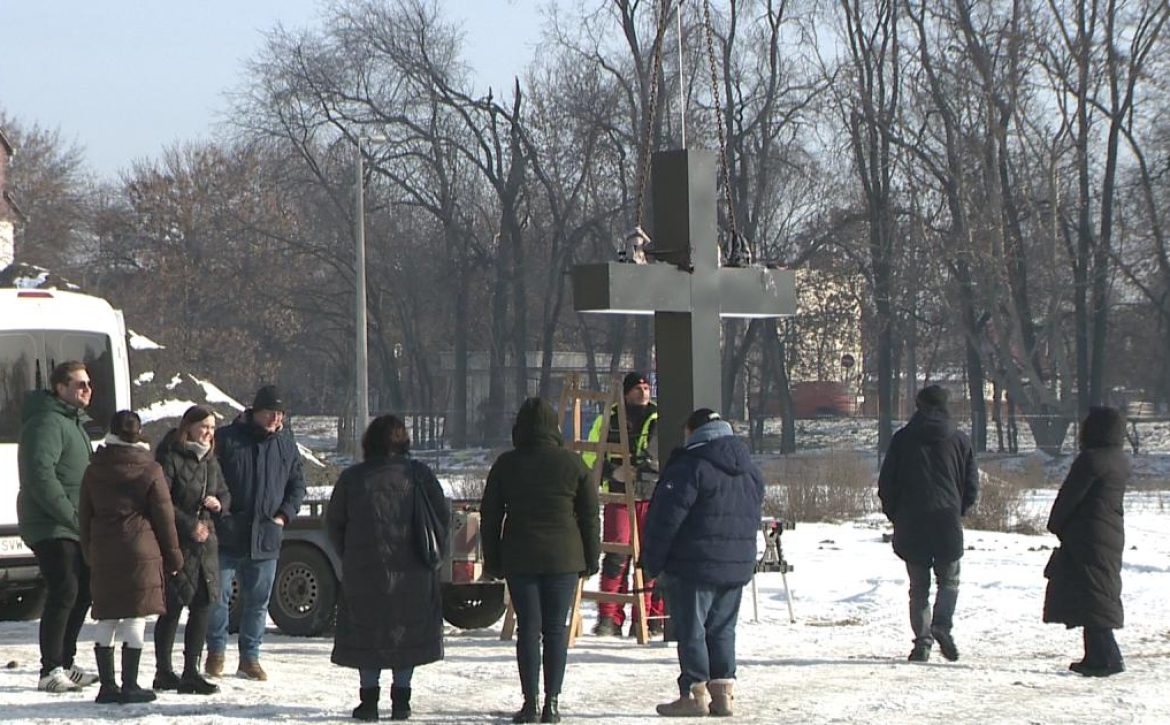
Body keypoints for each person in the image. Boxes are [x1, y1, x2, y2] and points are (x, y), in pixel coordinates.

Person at [481, 397, 600, 724]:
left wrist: (493, 560)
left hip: (520, 556)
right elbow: (589, 516)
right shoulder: (573, 464)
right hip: (564, 557)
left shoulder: (506, 464)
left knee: (528, 630)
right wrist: (592, 558)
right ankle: (553, 703)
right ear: (554, 428)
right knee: (556, 631)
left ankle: (530, 702)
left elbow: (490, 516)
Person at [641, 409, 764, 718]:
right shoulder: (749, 469)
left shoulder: (690, 466)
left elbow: (665, 519)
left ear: (693, 431)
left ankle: (695, 693)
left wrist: (652, 563)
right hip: (735, 566)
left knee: (691, 630)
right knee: (723, 629)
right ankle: (722, 694)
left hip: (693, 565)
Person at [327, 414, 449, 722]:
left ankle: (368, 701)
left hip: (365, 572)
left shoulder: (353, 478)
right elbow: (441, 520)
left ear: (369, 442)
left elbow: (335, 525)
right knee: (404, 633)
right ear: (403, 441)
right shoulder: (419, 475)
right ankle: (402, 700)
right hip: (414, 573)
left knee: (367, 633)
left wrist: (352, 556)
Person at [79, 410, 183, 704]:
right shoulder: (150, 469)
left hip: (103, 548)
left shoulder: (93, 469)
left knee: (107, 615)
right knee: (135, 616)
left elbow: (84, 516)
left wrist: (89, 552)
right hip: (140, 549)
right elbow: (164, 518)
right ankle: (130, 684)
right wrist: (174, 558)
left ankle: (107, 686)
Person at [205, 385, 306, 681]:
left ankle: (250, 657)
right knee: (218, 597)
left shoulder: (286, 444)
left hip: (266, 537)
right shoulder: (226, 438)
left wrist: (283, 515)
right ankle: (216, 653)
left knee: (258, 602)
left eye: (280, 413)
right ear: (255, 412)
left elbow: (297, 485)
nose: (276, 418)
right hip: (227, 534)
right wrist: (218, 510)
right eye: (270, 412)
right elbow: (209, 476)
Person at [878, 384, 979, 663]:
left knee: (918, 587)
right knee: (950, 581)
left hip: (911, 520)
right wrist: (960, 509)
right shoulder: (959, 440)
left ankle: (922, 642)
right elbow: (971, 484)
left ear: (918, 406)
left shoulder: (902, 439)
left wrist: (895, 514)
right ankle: (942, 625)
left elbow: (887, 483)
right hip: (947, 517)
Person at [17, 360, 101, 692]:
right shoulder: (47, 422)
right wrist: (71, 514)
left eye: (89, 384)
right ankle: (49, 670)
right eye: (79, 384)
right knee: (65, 588)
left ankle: (65, 662)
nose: (87, 390)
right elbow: (40, 476)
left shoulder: (74, 423)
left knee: (83, 590)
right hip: (52, 524)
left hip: (75, 524)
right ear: (60, 388)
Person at [1043, 406, 1129, 677]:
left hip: (1088, 534)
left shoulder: (1091, 460)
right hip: (1109, 532)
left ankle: (1107, 657)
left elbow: (1070, 497)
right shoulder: (1119, 459)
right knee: (1095, 590)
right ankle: (1094, 655)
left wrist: (1055, 524)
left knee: (1092, 594)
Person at [153, 405, 231, 695]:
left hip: (206, 544)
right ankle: (163, 670)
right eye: (204, 427)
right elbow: (161, 501)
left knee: (202, 605)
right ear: (189, 427)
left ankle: (191, 671)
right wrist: (188, 526)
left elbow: (225, 492)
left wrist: (219, 504)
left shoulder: (211, 460)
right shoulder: (170, 457)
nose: (209, 433)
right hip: (179, 542)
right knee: (172, 606)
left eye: (212, 428)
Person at [582, 371, 663, 637]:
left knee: (650, 557)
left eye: (646, 388)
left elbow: (660, 455)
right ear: (627, 392)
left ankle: (648, 616)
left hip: (651, 495)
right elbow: (590, 454)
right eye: (638, 388)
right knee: (616, 556)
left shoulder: (659, 418)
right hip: (618, 495)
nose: (643, 392)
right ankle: (609, 617)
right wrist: (610, 471)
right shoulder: (610, 418)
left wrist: (643, 470)